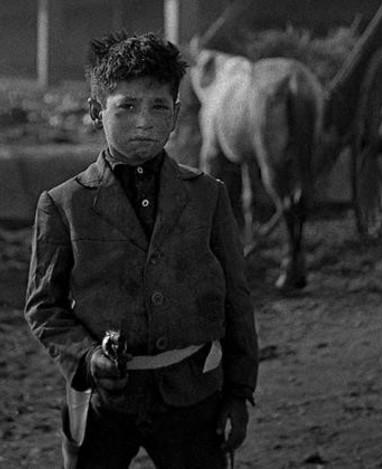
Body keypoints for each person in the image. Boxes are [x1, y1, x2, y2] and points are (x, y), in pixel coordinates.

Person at [25, 31, 259, 469]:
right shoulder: (63, 205)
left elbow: (236, 301)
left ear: (176, 114)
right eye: (126, 106)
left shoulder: (208, 196)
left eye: (158, 107)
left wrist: (239, 393)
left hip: (193, 397)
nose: (144, 122)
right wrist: (89, 357)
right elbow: (43, 307)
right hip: (105, 403)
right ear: (97, 112)